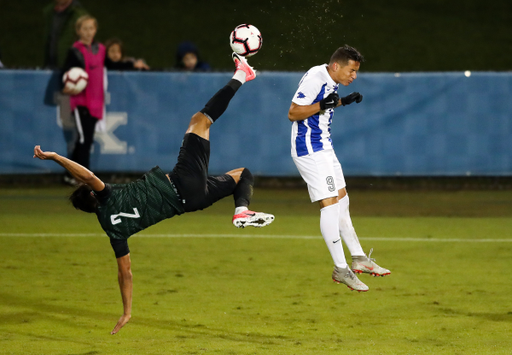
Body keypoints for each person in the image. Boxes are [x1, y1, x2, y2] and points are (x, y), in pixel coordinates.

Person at [33, 52, 275, 334]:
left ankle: (241, 210)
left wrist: (127, 312)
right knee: (200, 120)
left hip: (190, 202)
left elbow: (126, 273)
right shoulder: (107, 194)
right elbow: (86, 174)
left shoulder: (113, 232)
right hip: (181, 183)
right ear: (92, 195)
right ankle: (243, 74)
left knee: (242, 175)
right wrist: (55, 157)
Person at [288, 45, 390, 292]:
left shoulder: (330, 79)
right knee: (330, 204)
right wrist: (324, 104)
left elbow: (323, 105)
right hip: (310, 149)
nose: (354, 76)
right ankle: (341, 269)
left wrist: (342, 101)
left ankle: (358, 258)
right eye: (351, 70)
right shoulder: (316, 77)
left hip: (324, 146)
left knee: (342, 200)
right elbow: (293, 113)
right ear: (336, 66)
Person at [62, 15, 105, 185]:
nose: (88, 32)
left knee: (86, 139)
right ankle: (83, 178)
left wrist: (132, 64)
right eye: (84, 28)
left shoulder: (101, 49)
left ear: (95, 30)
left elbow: (111, 63)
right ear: (78, 31)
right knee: (83, 139)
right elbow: (66, 73)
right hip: (80, 101)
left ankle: (71, 175)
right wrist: (65, 85)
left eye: (91, 28)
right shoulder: (74, 51)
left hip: (96, 102)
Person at [43, 0, 88, 69]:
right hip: (47, 67)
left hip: (70, 70)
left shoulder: (80, 15)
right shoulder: (47, 12)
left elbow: (87, 43)